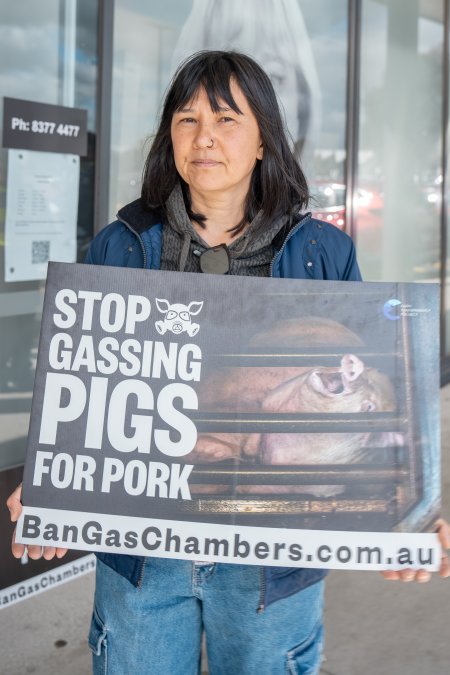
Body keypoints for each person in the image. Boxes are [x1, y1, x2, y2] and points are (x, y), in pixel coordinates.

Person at [7, 50, 450, 675]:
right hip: (144, 557)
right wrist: (54, 482)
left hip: (272, 567)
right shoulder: (122, 244)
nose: (204, 137)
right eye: (186, 120)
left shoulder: (325, 251)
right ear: (169, 138)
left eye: (225, 118)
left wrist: (403, 513)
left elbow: (371, 398)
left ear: (264, 139)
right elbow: (86, 380)